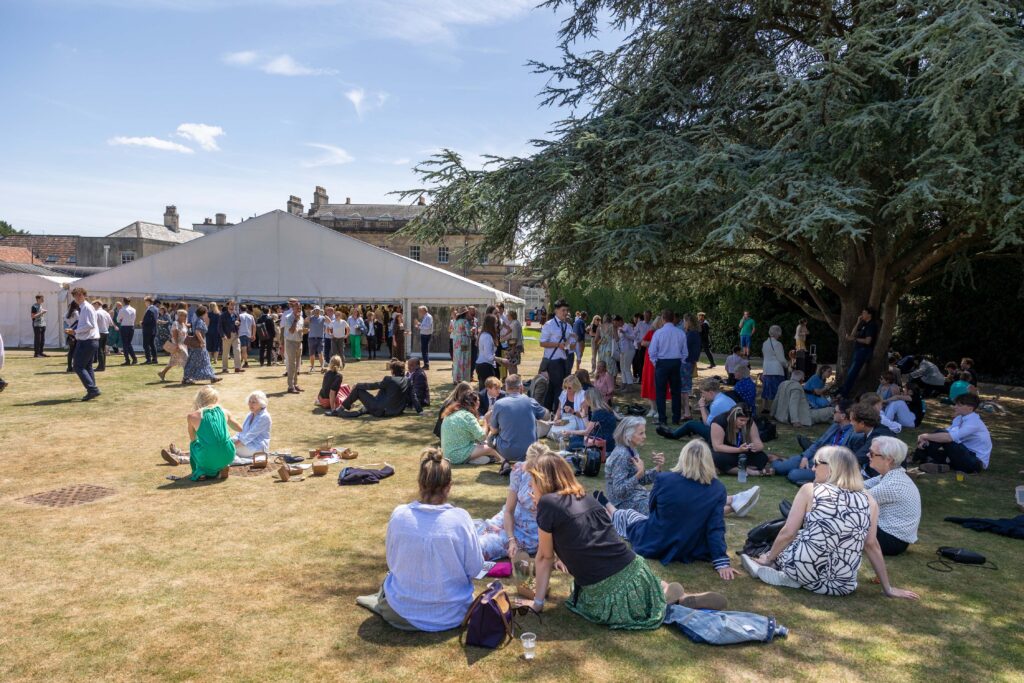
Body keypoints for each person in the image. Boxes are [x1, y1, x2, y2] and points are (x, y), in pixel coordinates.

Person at [528, 454, 720, 629]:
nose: (531, 486)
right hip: (636, 569)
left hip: (608, 588)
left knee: (586, 596)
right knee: (642, 586)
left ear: (542, 480)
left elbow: (545, 557)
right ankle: (670, 594)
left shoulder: (548, 503)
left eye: (533, 480)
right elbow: (584, 540)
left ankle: (666, 601)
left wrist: (537, 603)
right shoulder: (587, 498)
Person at [740, 446, 919, 600]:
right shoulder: (870, 501)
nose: (812, 468)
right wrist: (888, 588)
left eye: (817, 463)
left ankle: (776, 568)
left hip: (802, 569)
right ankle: (786, 572)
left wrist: (769, 558)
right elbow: (872, 545)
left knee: (785, 540)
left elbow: (788, 532)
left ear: (832, 467)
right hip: (842, 585)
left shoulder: (810, 490)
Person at [356, 448, 483, 631]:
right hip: (453, 613)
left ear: (419, 483)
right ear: (449, 486)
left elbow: (392, 563)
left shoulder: (400, 515)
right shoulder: (461, 519)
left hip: (402, 612)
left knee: (389, 583)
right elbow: (475, 568)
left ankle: (381, 599)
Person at [604, 439, 738, 574]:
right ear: (709, 460)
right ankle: (606, 505)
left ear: (683, 457)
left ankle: (607, 505)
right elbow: (715, 527)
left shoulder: (664, 479)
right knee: (633, 517)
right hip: (690, 546)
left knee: (629, 516)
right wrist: (721, 561)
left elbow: (652, 507)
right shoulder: (717, 489)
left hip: (657, 541)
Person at [473, 442, 551, 560]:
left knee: (479, 548)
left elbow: (555, 521)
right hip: (508, 520)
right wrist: (511, 539)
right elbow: (509, 511)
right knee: (471, 533)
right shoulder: (520, 470)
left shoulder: (553, 478)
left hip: (529, 533)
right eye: (531, 469)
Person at [163, 387, 237, 481]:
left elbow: (193, 439)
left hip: (209, 455)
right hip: (229, 455)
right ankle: (222, 466)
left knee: (195, 445)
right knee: (215, 447)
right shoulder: (224, 412)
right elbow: (239, 428)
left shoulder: (192, 416)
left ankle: (200, 472)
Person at [774, 400, 855, 485]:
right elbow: (818, 443)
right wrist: (805, 456)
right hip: (813, 457)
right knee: (779, 468)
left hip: (826, 466)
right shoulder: (835, 426)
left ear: (843, 416)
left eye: (835, 412)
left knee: (793, 474)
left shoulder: (853, 434)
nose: (832, 414)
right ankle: (780, 460)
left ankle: (801, 473)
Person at [863, 437, 920, 556]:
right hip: (890, 536)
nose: (868, 454)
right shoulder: (891, 475)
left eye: (872, 453)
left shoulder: (893, 485)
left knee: (845, 516)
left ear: (888, 459)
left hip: (891, 541)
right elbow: (858, 486)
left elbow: (854, 500)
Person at [911, 393, 992, 474]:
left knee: (942, 436)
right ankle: (935, 462)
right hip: (963, 454)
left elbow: (948, 438)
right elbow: (947, 433)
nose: (955, 406)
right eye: (956, 404)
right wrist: (927, 439)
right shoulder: (960, 418)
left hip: (975, 462)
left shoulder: (974, 422)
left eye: (959, 405)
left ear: (970, 408)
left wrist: (925, 436)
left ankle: (918, 457)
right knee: (939, 436)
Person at [605, 417, 665, 514]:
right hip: (621, 503)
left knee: (666, 498)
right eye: (641, 433)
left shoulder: (631, 449)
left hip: (635, 495)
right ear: (627, 435)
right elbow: (619, 491)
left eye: (644, 432)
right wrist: (639, 474)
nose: (645, 436)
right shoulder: (621, 455)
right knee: (659, 508)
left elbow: (641, 480)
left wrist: (658, 468)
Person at [488, 374, 548, 467]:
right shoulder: (530, 401)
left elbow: (494, 430)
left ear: (506, 388)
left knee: (490, 437)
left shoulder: (499, 404)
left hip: (507, 451)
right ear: (521, 387)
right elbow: (546, 416)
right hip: (529, 450)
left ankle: (504, 462)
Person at [333, 358, 422, 418]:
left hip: (382, 410)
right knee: (367, 406)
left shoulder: (389, 379)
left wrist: (358, 384)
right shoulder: (408, 380)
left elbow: (373, 386)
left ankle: (339, 409)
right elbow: (413, 396)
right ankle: (355, 410)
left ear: (393, 371)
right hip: (396, 411)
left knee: (358, 390)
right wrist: (420, 411)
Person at [658, 376, 735, 443]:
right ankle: (679, 431)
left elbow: (707, 423)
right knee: (696, 423)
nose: (702, 395)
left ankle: (673, 435)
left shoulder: (716, 404)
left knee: (691, 423)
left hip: (723, 436)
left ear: (711, 392)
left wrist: (702, 406)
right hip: (729, 433)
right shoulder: (724, 398)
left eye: (703, 393)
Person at [648, 310, 687, 427]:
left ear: (663, 319)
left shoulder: (659, 333)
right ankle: (676, 418)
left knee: (660, 392)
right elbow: (685, 352)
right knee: (676, 391)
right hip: (675, 362)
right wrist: (680, 362)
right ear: (673, 318)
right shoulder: (680, 333)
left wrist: (656, 363)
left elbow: (652, 351)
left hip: (662, 362)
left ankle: (662, 418)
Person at [440, 392, 500, 465]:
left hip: (447, 455)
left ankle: (481, 459)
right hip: (457, 454)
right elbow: (482, 436)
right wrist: (485, 421)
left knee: (485, 456)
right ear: (474, 403)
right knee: (490, 448)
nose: (479, 402)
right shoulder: (467, 416)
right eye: (478, 400)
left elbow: (475, 437)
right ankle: (503, 461)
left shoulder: (452, 413)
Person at [710, 404, 771, 476]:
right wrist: (738, 450)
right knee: (717, 458)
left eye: (746, 420)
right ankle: (750, 471)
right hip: (724, 452)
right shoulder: (719, 422)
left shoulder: (749, 423)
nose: (744, 423)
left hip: (742, 452)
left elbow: (759, 444)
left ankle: (729, 469)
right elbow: (717, 447)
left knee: (762, 457)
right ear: (733, 417)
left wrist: (755, 447)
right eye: (741, 420)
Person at [538, 300, 575, 412]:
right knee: (559, 387)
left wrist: (572, 345)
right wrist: (557, 345)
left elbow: (571, 343)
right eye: (563, 310)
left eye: (567, 310)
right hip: (553, 361)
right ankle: (557, 412)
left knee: (552, 388)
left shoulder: (568, 325)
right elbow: (542, 343)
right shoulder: (549, 325)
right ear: (556, 311)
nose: (565, 313)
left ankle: (547, 411)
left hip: (565, 360)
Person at [66, 287, 100, 400]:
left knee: (78, 366)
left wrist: (75, 331)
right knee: (87, 366)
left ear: (84, 295)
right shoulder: (85, 307)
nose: (77, 297)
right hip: (89, 340)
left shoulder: (86, 308)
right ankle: (92, 389)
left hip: (87, 341)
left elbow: (90, 325)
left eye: (80, 295)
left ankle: (92, 389)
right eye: (75, 295)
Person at [839, 307, 879, 397]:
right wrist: (858, 322)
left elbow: (868, 341)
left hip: (863, 351)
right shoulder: (864, 324)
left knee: (852, 373)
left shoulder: (871, 325)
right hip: (858, 351)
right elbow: (853, 334)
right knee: (850, 372)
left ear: (869, 315)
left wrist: (854, 339)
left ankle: (843, 394)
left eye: (864, 313)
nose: (862, 315)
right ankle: (842, 391)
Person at [848, 401, 896, 474]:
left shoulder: (878, 435)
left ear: (862, 423)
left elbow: (857, 458)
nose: (850, 423)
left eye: (852, 420)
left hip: (885, 478)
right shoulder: (872, 432)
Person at [229, 391, 272, 465]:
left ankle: (250, 460)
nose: (250, 404)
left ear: (261, 403)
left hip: (257, 447)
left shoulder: (265, 417)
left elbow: (249, 436)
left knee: (226, 452)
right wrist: (230, 441)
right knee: (224, 444)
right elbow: (241, 432)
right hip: (245, 443)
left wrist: (232, 446)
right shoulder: (250, 414)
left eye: (254, 402)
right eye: (249, 401)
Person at [182, 305, 222, 386]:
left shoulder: (199, 320)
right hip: (199, 345)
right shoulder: (200, 321)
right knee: (197, 362)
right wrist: (202, 341)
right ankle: (187, 378)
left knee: (204, 361)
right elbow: (197, 332)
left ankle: (212, 377)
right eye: (206, 312)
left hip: (198, 345)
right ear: (204, 313)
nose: (207, 313)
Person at [760, 324, 788, 413]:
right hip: (776, 370)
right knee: (776, 390)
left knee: (766, 388)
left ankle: (765, 407)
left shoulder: (765, 343)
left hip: (767, 369)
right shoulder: (778, 344)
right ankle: (774, 410)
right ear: (777, 333)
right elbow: (781, 358)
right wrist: (787, 365)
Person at [158, 309, 189, 382]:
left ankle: (162, 373)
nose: (184, 317)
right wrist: (177, 344)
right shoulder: (176, 323)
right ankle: (186, 377)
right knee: (186, 359)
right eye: (182, 315)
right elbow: (175, 334)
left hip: (184, 344)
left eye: (185, 316)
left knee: (173, 361)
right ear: (178, 316)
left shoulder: (184, 324)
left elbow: (185, 334)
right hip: (178, 344)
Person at [281, 298, 305, 394]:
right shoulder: (288, 317)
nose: (299, 309)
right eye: (297, 308)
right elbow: (291, 330)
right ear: (293, 308)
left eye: (300, 308)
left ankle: (295, 384)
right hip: (290, 342)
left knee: (297, 365)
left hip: (299, 342)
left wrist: (304, 331)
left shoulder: (302, 318)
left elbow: (299, 329)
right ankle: (290, 386)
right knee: (292, 365)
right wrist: (295, 320)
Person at [219, 299, 242, 374]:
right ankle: (225, 368)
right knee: (225, 353)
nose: (233, 306)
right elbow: (219, 327)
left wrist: (238, 323)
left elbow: (239, 322)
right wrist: (223, 335)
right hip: (226, 336)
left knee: (237, 350)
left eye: (234, 304)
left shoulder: (236, 314)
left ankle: (237, 367)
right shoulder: (223, 315)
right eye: (231, 304)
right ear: (228, 305)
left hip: (235, 335)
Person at [116, 297, 138, 365]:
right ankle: (134, 359)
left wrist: (122, 319)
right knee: (128, 344)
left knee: (125, 344)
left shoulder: (122, 310)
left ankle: (128, 360)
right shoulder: (133, 309)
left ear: (123, 302)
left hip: (124, 327)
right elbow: (134, 319)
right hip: (131, 327)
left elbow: (118, 319)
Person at [306, 306, 327, 374]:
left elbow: (329, 321)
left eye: (318, 310)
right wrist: (310, 314)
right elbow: (305, 320)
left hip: (320, 338)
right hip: (311, 338)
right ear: (314, 311)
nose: (317, 311)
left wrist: (324, 315)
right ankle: (312, 367)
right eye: (315, 310)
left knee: (320, 353)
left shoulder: (322, 317)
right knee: (312, 354)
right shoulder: (311, 318)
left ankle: (322, 367)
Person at [93, 300, 113, 372]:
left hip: (99, 332)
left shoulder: (96, 312)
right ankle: (102, 365)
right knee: (103, 350)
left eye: (93, 305)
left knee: (100, 350)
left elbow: (93, 323)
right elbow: (111, 323)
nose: (93, 306)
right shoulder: (106, 313)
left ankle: (101, 366)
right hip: (106, 332)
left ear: (97, 304)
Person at [141, 296, 159, 364]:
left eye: (145, 302)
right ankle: (154, 359)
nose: (145, 303)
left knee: (146, 345)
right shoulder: (156, 309)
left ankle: (148, 359)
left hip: (148, 329)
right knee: (152, 344)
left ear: (148, 301)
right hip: (153, 329)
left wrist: (142, 322)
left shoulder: (150, 309)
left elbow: (148, 320)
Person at [63, 300, 80, 373]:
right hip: (75, 332)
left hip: (70, 331)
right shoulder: (76, 312)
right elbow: (79, 321)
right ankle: (74, 366)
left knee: (71, 351)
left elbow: (65, 321)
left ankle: (69, 367)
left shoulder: (67, 313)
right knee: (76, 350)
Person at [237, 304, 255, 368]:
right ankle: (242, 361)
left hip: (241, 334)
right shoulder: (251, 316)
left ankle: (246, 362)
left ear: (240, 309)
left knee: (243, 349)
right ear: (246, 309)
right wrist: (253, 335)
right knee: (245, 349)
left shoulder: (239, 316)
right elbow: (254, 326)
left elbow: (237, 325)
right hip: (248, 334)